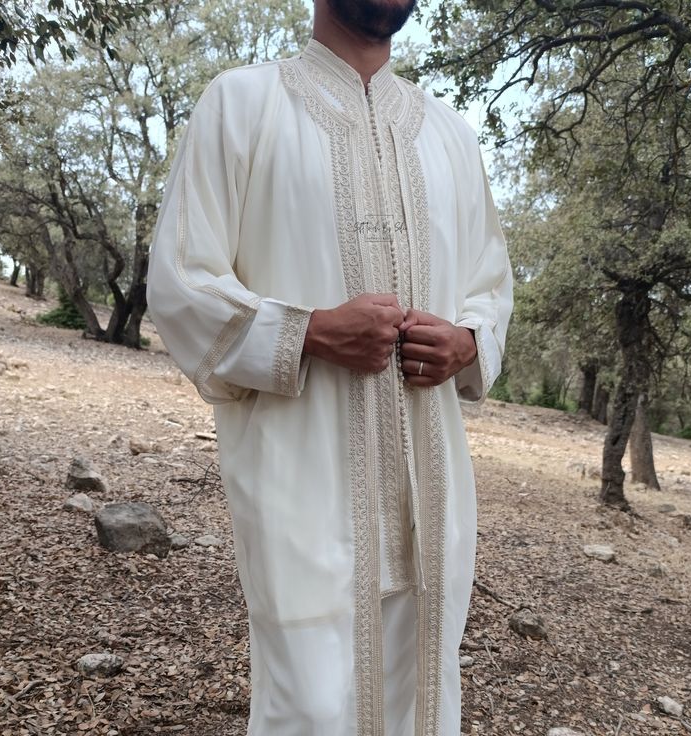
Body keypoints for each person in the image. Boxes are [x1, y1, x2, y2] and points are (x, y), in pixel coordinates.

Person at [147, 0, 513, 733]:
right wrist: (308, 331)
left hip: (431, 490)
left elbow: (490, 285)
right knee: (310, 706)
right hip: (301, 485)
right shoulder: (243, 104)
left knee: (424, 698)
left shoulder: (450, 135)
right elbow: (181, 282)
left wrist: (468, 341)